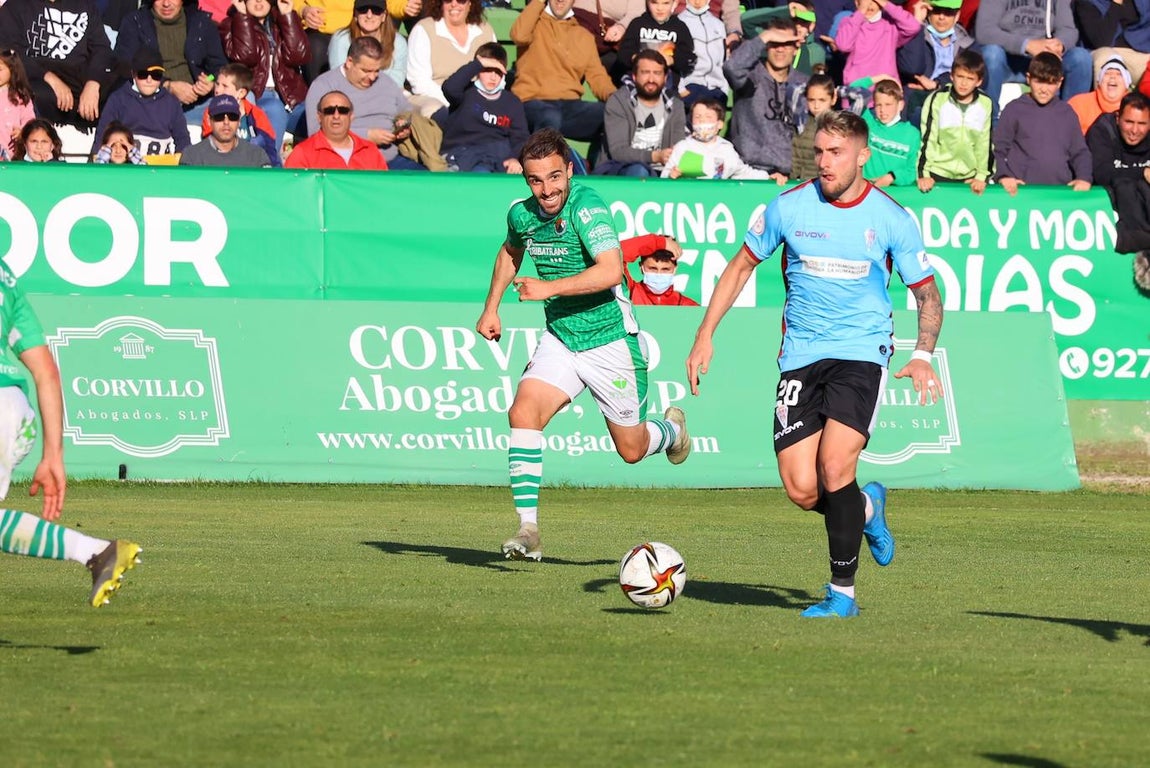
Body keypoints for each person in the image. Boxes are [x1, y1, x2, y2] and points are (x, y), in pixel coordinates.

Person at [686, 110, 944, 619]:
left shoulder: (891, 217)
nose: (825, 163)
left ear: (862, 156)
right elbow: (740, 266)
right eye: (820, 152)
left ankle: (841, 594)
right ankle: (866, 507)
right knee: (804, 490)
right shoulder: (788, 207)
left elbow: (928, 294)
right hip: (799, 358)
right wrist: (704, 334)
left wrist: (921, 355)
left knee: (833, 468)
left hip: (861, 354)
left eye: (837, 153)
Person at [476, 128, 691, 562]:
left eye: (555, 177)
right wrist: (491, 307)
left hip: (610, 341)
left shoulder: (587, 205)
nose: (547, 189)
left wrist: (547, 287)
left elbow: (612, 271)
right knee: (523, 411)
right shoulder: (521, 215)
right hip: (562, 337)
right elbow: (509, 252)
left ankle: (672, 431)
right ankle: (528, 529)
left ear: (569, 171)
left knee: (631, 450)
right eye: (536, 180)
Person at [0, 260, 142, 608]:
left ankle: (94, 550)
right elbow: (46, 371)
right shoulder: (6, 278)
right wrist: (53, 454)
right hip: (14, 409)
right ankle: (94, 552)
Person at [305, 36, 424, 169]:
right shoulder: (324, 86)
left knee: (427, 181)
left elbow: (407, 111)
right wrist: (366, 136)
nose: (372, 77)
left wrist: (402, 126)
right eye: (366, 71)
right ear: (350, 62)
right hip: (348, 163)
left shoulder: (386, 82)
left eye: (376, 71)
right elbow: (315, 133)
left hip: (390, 160)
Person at [510, 0, 616, 142]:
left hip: (571, 107)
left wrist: (616, 98)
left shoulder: (584, 36)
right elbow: (518, 35)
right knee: (550, 116)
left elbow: (598, 77)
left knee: (616, 114)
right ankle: (541, 162)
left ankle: (603, 163)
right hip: (532, 102)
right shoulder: (534, 24)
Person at [0, 0, 117, 127]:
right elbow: (12, 52)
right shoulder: (15, 6)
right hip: (37, 75)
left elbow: (102, 48)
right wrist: (50, 78)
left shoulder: (85, 5)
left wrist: (93, 83)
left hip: (79, 76)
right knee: (33, 93)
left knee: (122, 87)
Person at [993, 52, 1092, 195]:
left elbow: (1080, 152)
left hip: (1059, 193)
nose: (1044, 89)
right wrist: (1003, 176)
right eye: (1039, 81)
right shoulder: (1014, 109)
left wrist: (1084, 177)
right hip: (1021, 192)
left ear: (1060, 82)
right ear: (1028, 78)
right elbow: (999, 149)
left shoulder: (1067, 113)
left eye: (1050, 83)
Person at [723, 16, 808, 181]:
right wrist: (766, 36)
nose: (780, 50)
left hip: (790, 175)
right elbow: (731, 67)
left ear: (796, 48)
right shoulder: (750, 76)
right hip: (749, 172)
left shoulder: (804, 84)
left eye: (785, 44)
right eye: (774, 43)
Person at [975, 0, 1092, 119]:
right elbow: (984, 30)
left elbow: (1068, 29)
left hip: (1045, 59)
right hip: (1007, 60)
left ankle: (1068, 124)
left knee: (1081, 59)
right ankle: (990, 123)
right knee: (992, 54)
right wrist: (1027, 45)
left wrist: (1058, 45)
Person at [113, 0, 226, 121]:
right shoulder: (135, 23)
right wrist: (168, 86)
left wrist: (210, 81)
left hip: (197, 104)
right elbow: (125, 67)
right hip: (150, 103)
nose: (166, 4)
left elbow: (220, 67)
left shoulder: (201, 22)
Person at [221, 0, 312, 147]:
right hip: (258, 95)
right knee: (275, 110)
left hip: (291, 98)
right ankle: (271, 166)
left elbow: (299, 55)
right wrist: (243, 17)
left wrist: (287, 15)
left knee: (320, 114)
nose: (258, 1)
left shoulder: (282, 21)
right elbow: (246, 57)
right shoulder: (231, 24)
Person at [440, 42, 528, 173]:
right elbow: (449, 87)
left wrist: (514, 158)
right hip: (463, 154)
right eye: (487, 70)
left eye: (498, 72)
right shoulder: (465, 92)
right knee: (481, 170)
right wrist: (478, 63)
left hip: (499, 159)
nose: (493, 77)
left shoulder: (512, 102)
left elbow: (520, 139)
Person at [90, 48, 191, 160]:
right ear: (133, 74)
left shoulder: (171, 103)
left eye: (156, 75)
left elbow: (183, 140)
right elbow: (101, 137)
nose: (149, 80)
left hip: (160, 169)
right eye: (143, 74)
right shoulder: (118, 99)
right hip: (128, 169)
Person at [598, 49, 686, 176]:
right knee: (639, 171)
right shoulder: (619, 102)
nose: (651, 79)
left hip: (663, 170)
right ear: (634, 76)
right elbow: (618, 151)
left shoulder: (676, 105)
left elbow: (678, 146)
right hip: (621, 168)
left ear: (665, 77)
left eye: (657, 73)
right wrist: (655, 156)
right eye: (645, 72)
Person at [917, 49, 992, 194]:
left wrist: (982, 175)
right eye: (960, 76)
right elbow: (928, 139)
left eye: (970, 79)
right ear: (952, 76)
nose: (964, 83)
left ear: (979, 81)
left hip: (969, 177)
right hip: (937, 173)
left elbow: (985, 142)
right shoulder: (937, 99)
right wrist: (924, 174)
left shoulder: (985, 103)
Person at [406, 0, 496, 119]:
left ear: (470, 3)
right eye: (448, 0)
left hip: (479, 102)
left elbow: (496, 73)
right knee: (435, 109)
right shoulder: (424, 29)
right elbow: (420, 82)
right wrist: (458, 103)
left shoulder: (485, 31)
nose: (454, 4)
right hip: (437, 101)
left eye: (461, 0)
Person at [1086, 91, 1150, 253]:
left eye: (1142, 124)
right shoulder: (1102, 130)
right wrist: (1143, 172)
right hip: (1114, 200)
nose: (1134, 130)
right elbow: (1101, 173)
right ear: (1117, 118)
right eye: (1129, 122)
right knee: (1124, 185)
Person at [895, 0, 976, 125]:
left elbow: (976, 77)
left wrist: (937, 85)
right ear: (928, 11)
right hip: (918, 98)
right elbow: (911, 67)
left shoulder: (967, 44)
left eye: (948, 12)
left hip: (952, 99)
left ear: (957, 16)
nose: (942, 17)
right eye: (937, 11)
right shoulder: (913, 33)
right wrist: (917, 25)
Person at [662, 96, 771, 178]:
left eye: (708, 117)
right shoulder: (683, 147)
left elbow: (744, 173)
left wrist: (769, 177)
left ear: (720, 124)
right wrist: (671, 175)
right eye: (697, 117)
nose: (702, 120)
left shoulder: (726, 149)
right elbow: (664, 175)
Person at [200, 63, 282, 166]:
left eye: (225, 86)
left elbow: (269, 147)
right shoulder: (210, 113)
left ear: (241, 93)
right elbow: (208, 145)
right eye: (217, 84)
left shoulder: (255, 114)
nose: (217, 90)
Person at [286, 88, 388, 168]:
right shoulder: (302, 153)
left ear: (351, 116)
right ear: (319, 117)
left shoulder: (370, 150)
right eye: (329, 111)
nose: (336, 116)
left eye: (343, 110)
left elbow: (383, 189)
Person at [833, 0, 920, 88]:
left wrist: (886, 5)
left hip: (886, 89)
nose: (869, 4)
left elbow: (913, 27)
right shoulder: (849, 22)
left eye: (874, 1)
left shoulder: (890, 25)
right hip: (858, 88)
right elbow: (843, 45)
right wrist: (860, 13)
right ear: (857, 2)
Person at [328, 0, 407, 88]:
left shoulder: (398, 42)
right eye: (363, 10)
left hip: (386, 95)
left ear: (384, 16)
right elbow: (340, 79)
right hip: (350, 95)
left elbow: (397, 80)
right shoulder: (341, 39)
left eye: (376, 11)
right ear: (355, 14)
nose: (369, 16)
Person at [615, 0, 696, 85]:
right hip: (636, 81)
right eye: (654, 2)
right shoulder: (637, 24)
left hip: (667, 84)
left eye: (666, 3)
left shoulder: (680, 28)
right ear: (647, 2)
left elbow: (688, 58)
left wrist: (672, 60)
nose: (660, 8)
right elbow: (623, 53)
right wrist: (638, 59)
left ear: (675, 3)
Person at [180, 94, 274, 165]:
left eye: (232, 117)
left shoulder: (257, 155)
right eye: (219, 117)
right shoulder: (191, 156)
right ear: (209, 121)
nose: (226, 122)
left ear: (239, 121)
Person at [1073, 0, 1150, 86]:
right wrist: (1116, 4)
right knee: (1107, 61)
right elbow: (1101, 41)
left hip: (1142, 51)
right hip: (1107, 49)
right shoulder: (1090, 2)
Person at [863, 78, 920, 186]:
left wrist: (892, 177)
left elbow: (913, 171)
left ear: (900, 105)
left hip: (894, 193)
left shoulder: (912, 135)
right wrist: (881, 76)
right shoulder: (868, 123)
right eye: (878, 105)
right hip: (866, 188)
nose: (882, 110)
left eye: (888, 104)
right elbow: (854, 88)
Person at [676, 0, 728, 108]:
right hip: (691, 86)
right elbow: (676, 61)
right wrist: (681, 88)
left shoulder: (718, 24)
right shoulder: (678, 23)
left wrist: (724, 88)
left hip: (716, 88)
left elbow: (723, 60)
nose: (697, 1)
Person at [621, 234, 700, 305]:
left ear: (675, 269)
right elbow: (616, 256)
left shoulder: (688, 306)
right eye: (653, 268)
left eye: (665, 269)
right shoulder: (629, 292)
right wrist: (660, 242)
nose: (659, 274)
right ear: (641, 267)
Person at [1068, 56, 1133, 134]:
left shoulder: (1135, 107)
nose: (1112, 77)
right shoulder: (1078, 103)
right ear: (1100, 81)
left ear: (1126, 84)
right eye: (1107, 73)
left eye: (1119, 74)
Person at [791, 73, 837, 181]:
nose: (816, 106)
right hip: (800, 181)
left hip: (828, 184)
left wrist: (838, 90)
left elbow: (862, 96)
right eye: (811, 100)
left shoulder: (839, 124)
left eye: (822, 100)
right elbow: (793, 89)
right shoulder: (800, 120)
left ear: (833, 98)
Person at [0, 48, 35, 161]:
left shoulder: (21, 96)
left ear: (12, 70)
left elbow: (29, 119)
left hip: (14, 151)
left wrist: (22, 132)